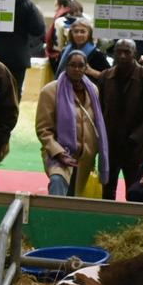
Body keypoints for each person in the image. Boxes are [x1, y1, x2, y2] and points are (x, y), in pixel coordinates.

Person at [37, 50, 110, 197]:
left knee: (75, 197)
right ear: (66, 66)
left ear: (85, 68)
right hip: (59, 155)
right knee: (57, 182)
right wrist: (59, 153)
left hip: (86, 158)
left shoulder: (93, 90)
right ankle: (54, 218)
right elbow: (43, 129)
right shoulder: (50, 91)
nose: (76, 69)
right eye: (72, 65)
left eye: (80, 66)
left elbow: (96, 124)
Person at [99, 38, 143, 201]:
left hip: (136, 148)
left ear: (134, 54)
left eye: (126, 52)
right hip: (110, 146)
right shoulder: (105, 77)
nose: (122, 56)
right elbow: (98, 111)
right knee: (107, 191)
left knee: (134, 192)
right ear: (113, 54)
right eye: (118, 52)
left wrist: (135, 138)